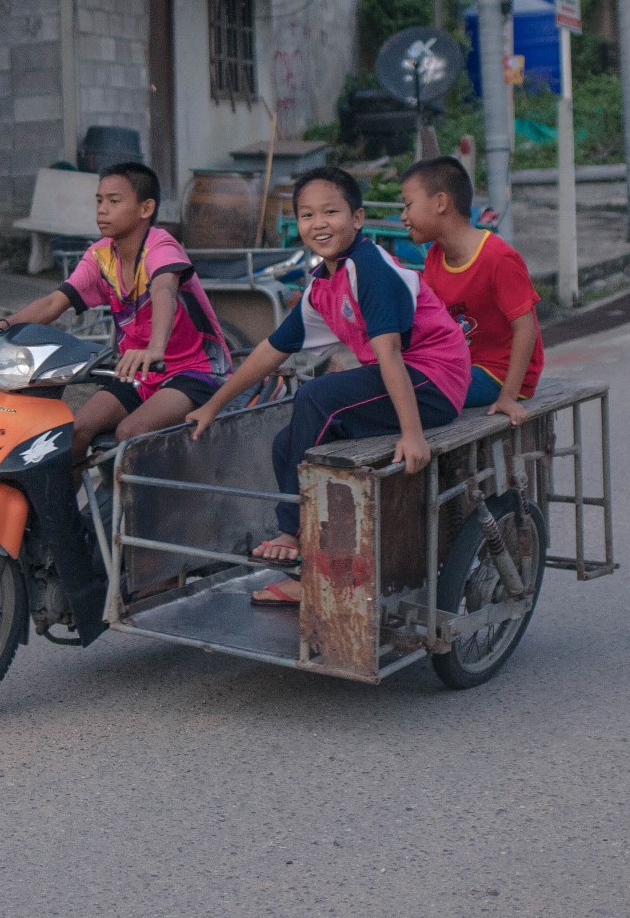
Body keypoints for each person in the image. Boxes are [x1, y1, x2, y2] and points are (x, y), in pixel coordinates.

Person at [188, 166, 470, 606]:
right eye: (306, 215)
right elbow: (270, 350)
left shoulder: (368, 267)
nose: (318, 224)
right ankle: (316, 555)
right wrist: (215, 405)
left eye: (330, 212)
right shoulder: (322, 283)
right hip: (402, 379)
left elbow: (391, 354)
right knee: (287, 444)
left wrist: (413, 437)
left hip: (434, 379)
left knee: (317, 396)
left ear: (357, 219)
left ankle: (296, 535)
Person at [0, 162, 231, 454]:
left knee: (130, 433)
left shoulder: (161, 247)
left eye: (114, 201)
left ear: (146, 208)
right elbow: (54, 301)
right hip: (138, 373)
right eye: (99, 201)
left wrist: (155, 349)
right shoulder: (100, 255)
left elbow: (164, 289)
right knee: (75, 431)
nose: (102, 209)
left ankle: (132, 501)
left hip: (193, 372)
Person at [398, 156, 544, 426]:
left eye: (408, 205)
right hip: (461, 365)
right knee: (394, 382)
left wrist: (508, 396)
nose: (403, 217)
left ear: (441, 203)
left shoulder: (497, 257)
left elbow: (526, 328)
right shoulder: (434, 258)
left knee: (413, 395)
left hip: (500, 375)